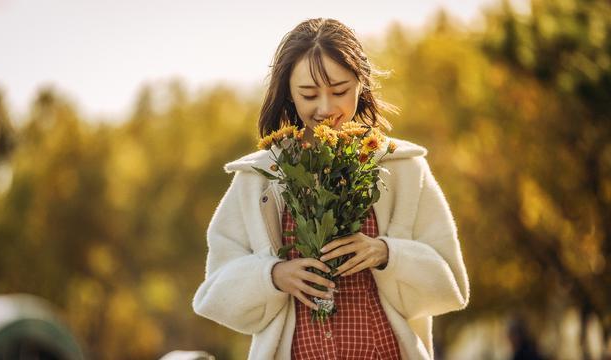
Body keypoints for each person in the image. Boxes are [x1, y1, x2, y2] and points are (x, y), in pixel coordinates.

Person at [192, 18, 470, 360]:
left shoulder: (405, 169)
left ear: (361, 84)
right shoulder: (259, 178)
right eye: (308, 94)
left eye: (339, 91)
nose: (325, 109)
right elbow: (214, 293)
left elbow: (450, 286)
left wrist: (387, 254)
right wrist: (273, 276)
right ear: (289, 95)